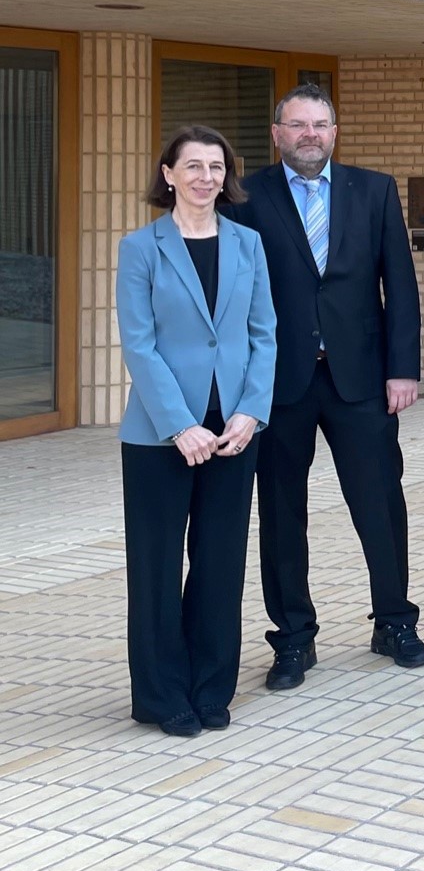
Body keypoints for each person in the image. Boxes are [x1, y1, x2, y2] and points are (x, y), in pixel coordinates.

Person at [225, 83, 424, 689]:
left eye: (319, 125)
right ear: (277, 134)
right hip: (276, 382)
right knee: (281, 512)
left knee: (379, 502)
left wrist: (403, 368)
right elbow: (234, 291)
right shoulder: (246, 197)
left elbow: (400, 283)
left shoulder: (374, 190)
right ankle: (293, 638)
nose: (309, 135)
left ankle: (394, 621)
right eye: (297, 125)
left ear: (334, 133)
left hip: (360, 378)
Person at [117, 126, 276, 736]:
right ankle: (162, 696)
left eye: (216, 167)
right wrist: (180, 424)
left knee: (220, 562)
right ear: (169, 174)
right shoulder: (141, 247)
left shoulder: (248, 244)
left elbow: (264, 334)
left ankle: (212, 687)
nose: (206, 177)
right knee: (156, 566)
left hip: (233, 430)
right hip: (160, 434)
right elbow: (139, 344)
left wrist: (250, 411)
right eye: (193, 166)